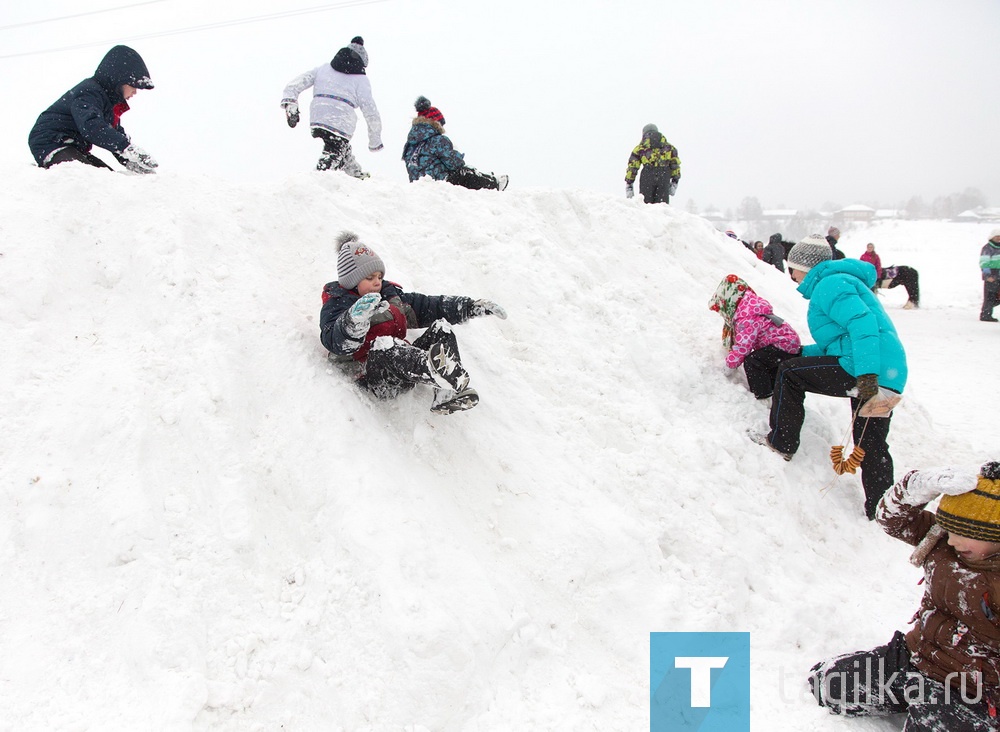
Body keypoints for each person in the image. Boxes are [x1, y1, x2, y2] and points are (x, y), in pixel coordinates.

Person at [808, 462, 1000, 730]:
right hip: (915, 660)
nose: (953, 540)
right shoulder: (942, 541)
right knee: (825, 684)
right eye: (950, 529)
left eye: (965, 534)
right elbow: (891, 518)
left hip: (970, 692)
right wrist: (917, 486)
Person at [750, 234, 907, 520]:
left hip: (869, 371)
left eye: (792, 266)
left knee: (789, 374)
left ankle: (782, 442)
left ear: (805, 267)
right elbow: (838, 343)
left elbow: (863, 325)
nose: (791, 273)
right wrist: (797, 350)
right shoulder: (842, 282)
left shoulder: (830, 284)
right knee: (870, 443)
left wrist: (867, 377)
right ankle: (883, 511)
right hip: (890, 375)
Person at [319, 231, 507, 414]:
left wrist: (470, 306)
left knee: (441, 328)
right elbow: (334, 341)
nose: (377, 282)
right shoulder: (338, 304)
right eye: (369, 278)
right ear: (351, 281)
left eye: (379, 277)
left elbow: (430, 306)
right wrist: (354, 321)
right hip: (374, 377)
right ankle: (435, 370)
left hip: (405, 368)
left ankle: (446, 393)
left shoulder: (391, 296)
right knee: (384, 345)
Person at [28, 45, 157, 174]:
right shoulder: (90, 93)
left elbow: (111, 133)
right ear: (119, 80)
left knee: (111, 178)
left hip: (72, 146)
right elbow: (92, 127)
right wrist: (126, 148)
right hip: (51, 142)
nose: (135, 92)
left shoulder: (107, 103)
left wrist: (130, 161)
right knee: (97, 178)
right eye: (133, 86)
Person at [280, 36, 383, 178]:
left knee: (341, 147)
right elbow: (371, 112)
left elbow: (295, 84)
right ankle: (317, 180)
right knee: (335, 150)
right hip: (341, 121)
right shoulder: (361, 80)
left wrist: (291, 102)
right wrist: (375, 141)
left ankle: (354, 174)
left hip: (318, 116)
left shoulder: (323, 69)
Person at [709, 275, 802, 399]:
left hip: (782, 344)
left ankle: (763, 395)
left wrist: (729, 366)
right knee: (768, 365)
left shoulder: (746, 318)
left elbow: (743, 346)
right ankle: (775, 392)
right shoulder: (751, 308)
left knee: (753, 362)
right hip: (787, 343)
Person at [401, 96, 508, 191]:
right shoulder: (438, 140)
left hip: (418, 186)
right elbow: (456, 164)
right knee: (466, 173)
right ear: (435, 123)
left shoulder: (410, 145)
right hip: (440, 183)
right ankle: (494, 184)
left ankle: (489, 179)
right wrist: (457, 154)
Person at [624, 123, 680, 204]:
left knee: (646, 207)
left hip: (647, 176)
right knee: (662, 207)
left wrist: (629, 184)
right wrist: (675, 182)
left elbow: (632, 167)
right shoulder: (670, 148)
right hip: (664, 176)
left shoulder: (640, 148)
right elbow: (675, 166)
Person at [979, 229, 1000, 322]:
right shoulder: (987, 248)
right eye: (997, 236)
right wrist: (987, 276)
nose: (999, 238)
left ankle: (987, 310)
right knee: (990, 296)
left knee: (997, 296)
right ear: (992, 237)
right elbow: (984, 263)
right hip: (991, 275)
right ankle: (985, 315)